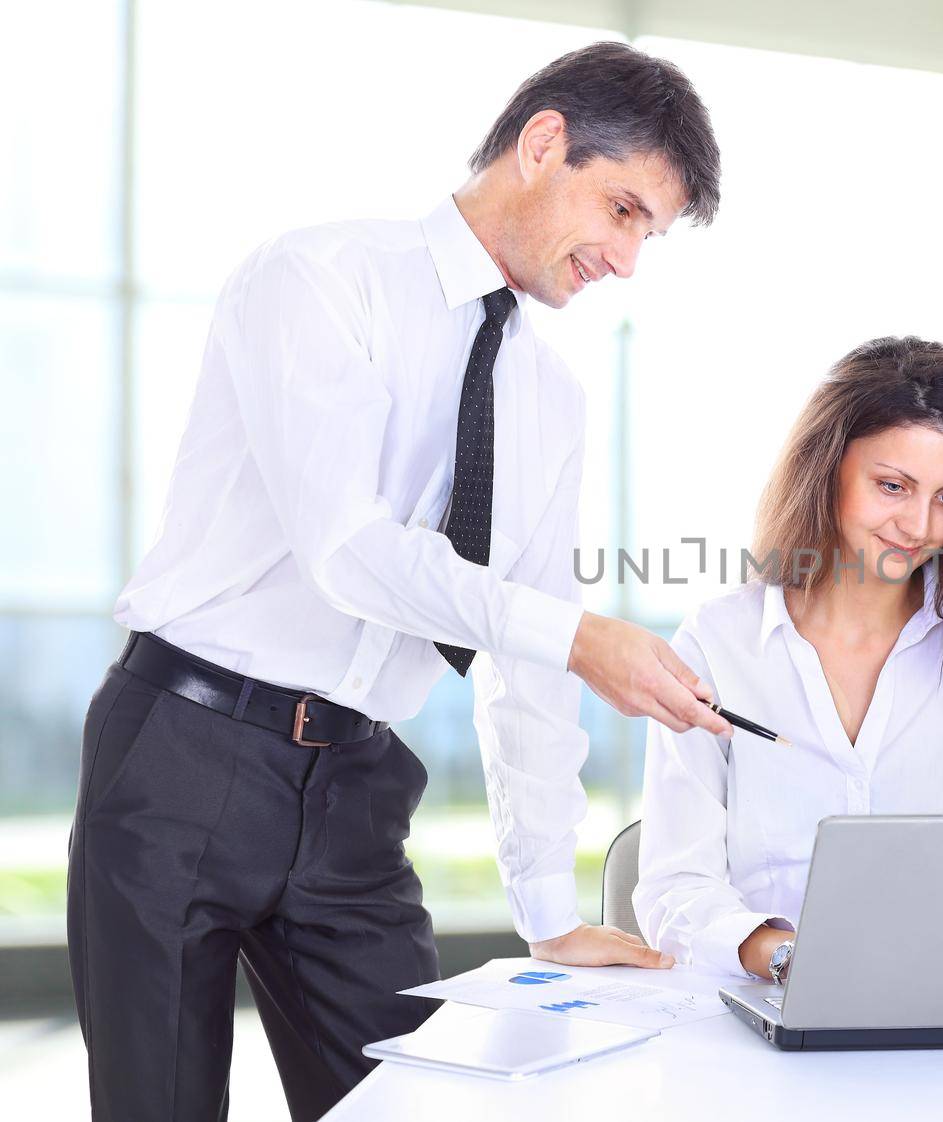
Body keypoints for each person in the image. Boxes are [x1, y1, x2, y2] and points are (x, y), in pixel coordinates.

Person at [68, 42, 733, 1121]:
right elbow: (350, 549)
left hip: (358, 790)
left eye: (645, 233)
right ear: (544, 142)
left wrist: (549, 909)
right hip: (184, 753)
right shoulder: (319, 279)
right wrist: (574, 635)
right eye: (620, 211)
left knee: (420, 1102)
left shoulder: (548, 397)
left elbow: (527, 665)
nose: (624, 258)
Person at [633, 336, 943, 982]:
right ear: (828, 466)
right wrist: (790, 960)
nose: (920, 524)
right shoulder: (719, 643)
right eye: (893, 486)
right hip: (763, 1015)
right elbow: (675, 885)